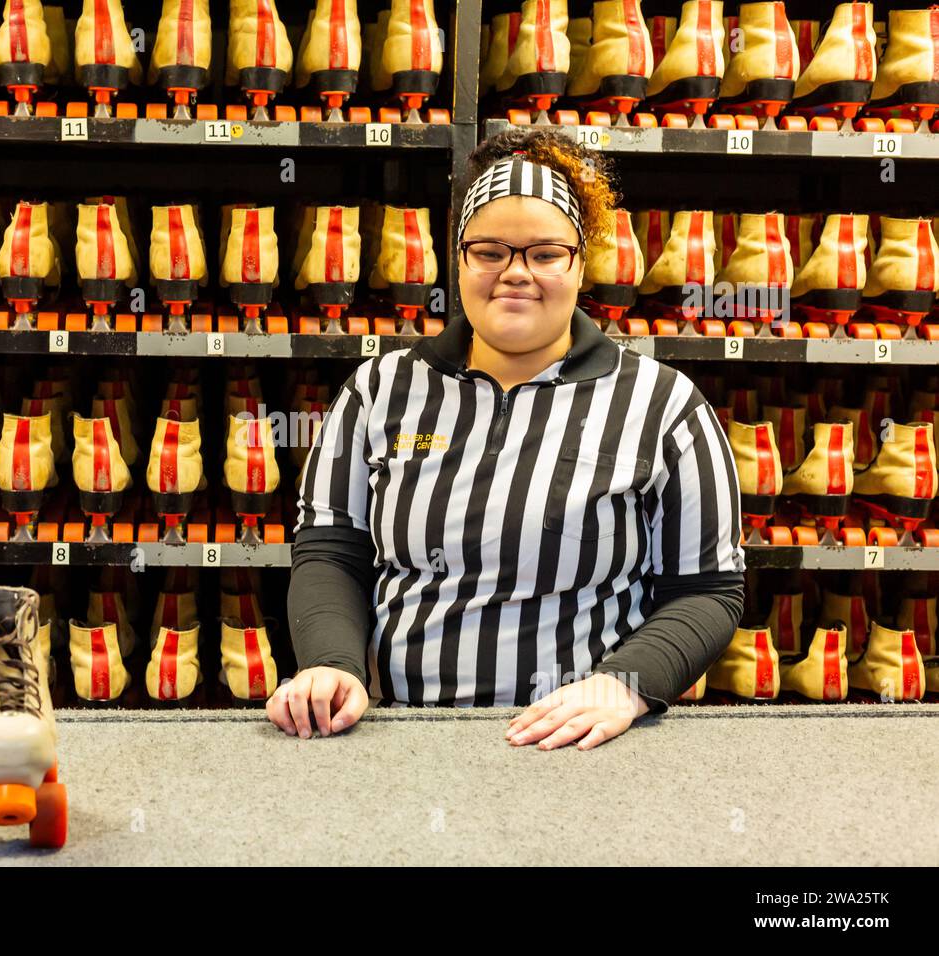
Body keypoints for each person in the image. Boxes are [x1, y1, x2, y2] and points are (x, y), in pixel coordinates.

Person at [266, 127, 745, 750]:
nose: (515, 273)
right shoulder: (378, 390)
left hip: (579, 742)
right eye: (490, 251)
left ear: (579, 263)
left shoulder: (664, 404)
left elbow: (708, 589)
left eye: (545, 253)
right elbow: (332, 550)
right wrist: (332, 663)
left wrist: (625, 683)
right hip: (401, 734)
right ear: (460, 257)